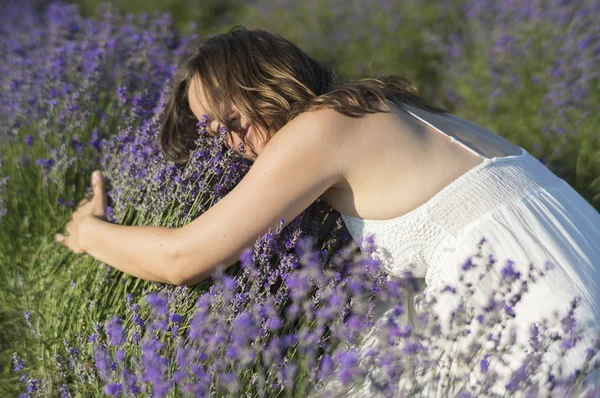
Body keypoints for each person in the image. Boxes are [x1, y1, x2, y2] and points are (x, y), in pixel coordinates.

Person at [55, 27, 600, 395]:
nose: (228, 139)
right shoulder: (387, 109)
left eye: (230, 115)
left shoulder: (322, 126)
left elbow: (183, 257)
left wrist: (88, 231)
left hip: (545, 321)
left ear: (262, 77)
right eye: (212, 131)